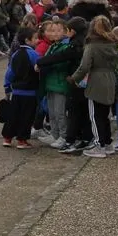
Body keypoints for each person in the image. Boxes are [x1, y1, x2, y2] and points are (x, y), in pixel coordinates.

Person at [66, 15, 118, 159]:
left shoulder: (92, 45)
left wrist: (73, 79)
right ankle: (107, 143)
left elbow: (84, 67)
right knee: (105, 114)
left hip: (96, 80)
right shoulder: (113, 44)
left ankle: (98, 145)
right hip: (110, 78)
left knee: (95, 116)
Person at [38, 17, 91, 154]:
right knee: (52, 112)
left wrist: (42, 64)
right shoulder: (54, 46)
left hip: (61, 83)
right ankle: (55, 134)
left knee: (61, 112)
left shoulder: (69, 46)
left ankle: (64, 136)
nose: (54, 33)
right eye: (52, 31)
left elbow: (60, 60)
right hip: (51, 82)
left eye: (59, 30)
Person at [2, 27, 42, 149]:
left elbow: (10, 72)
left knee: (13, 115)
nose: (38, 40)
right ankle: (22, 140)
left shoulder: (15, 54)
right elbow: (40, 69)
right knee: (27, 116)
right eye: (35, 38)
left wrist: (7, 86)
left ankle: (7, 138)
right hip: (30, 91)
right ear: (27, 40)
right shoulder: (34, 54)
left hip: (16, 91)